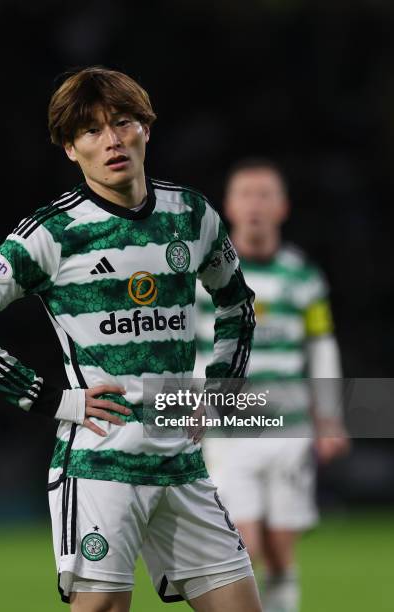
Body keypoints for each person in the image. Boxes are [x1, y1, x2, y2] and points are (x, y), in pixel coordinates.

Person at [0, 67, 261, 612]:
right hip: (101, 464)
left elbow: (236, 303)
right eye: (90, 131)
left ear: (146, 130)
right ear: (69, 148)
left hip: (181, 460)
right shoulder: (52, 232)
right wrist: (54, 401)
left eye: (123, 122)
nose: (111, 140)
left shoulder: (191, 214)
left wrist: (220, 392)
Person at [196, 159, 350, 612]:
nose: (255, 205)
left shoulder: (303, 277)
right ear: (229, 206)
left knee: (281, 549)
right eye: (246, 194)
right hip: (228, 432)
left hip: (290, 429)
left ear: (282, 207)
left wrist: (331, 418)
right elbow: (190, 347)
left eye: (265, 195)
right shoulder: (208, 275)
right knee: (242, 545)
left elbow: (321, 348)